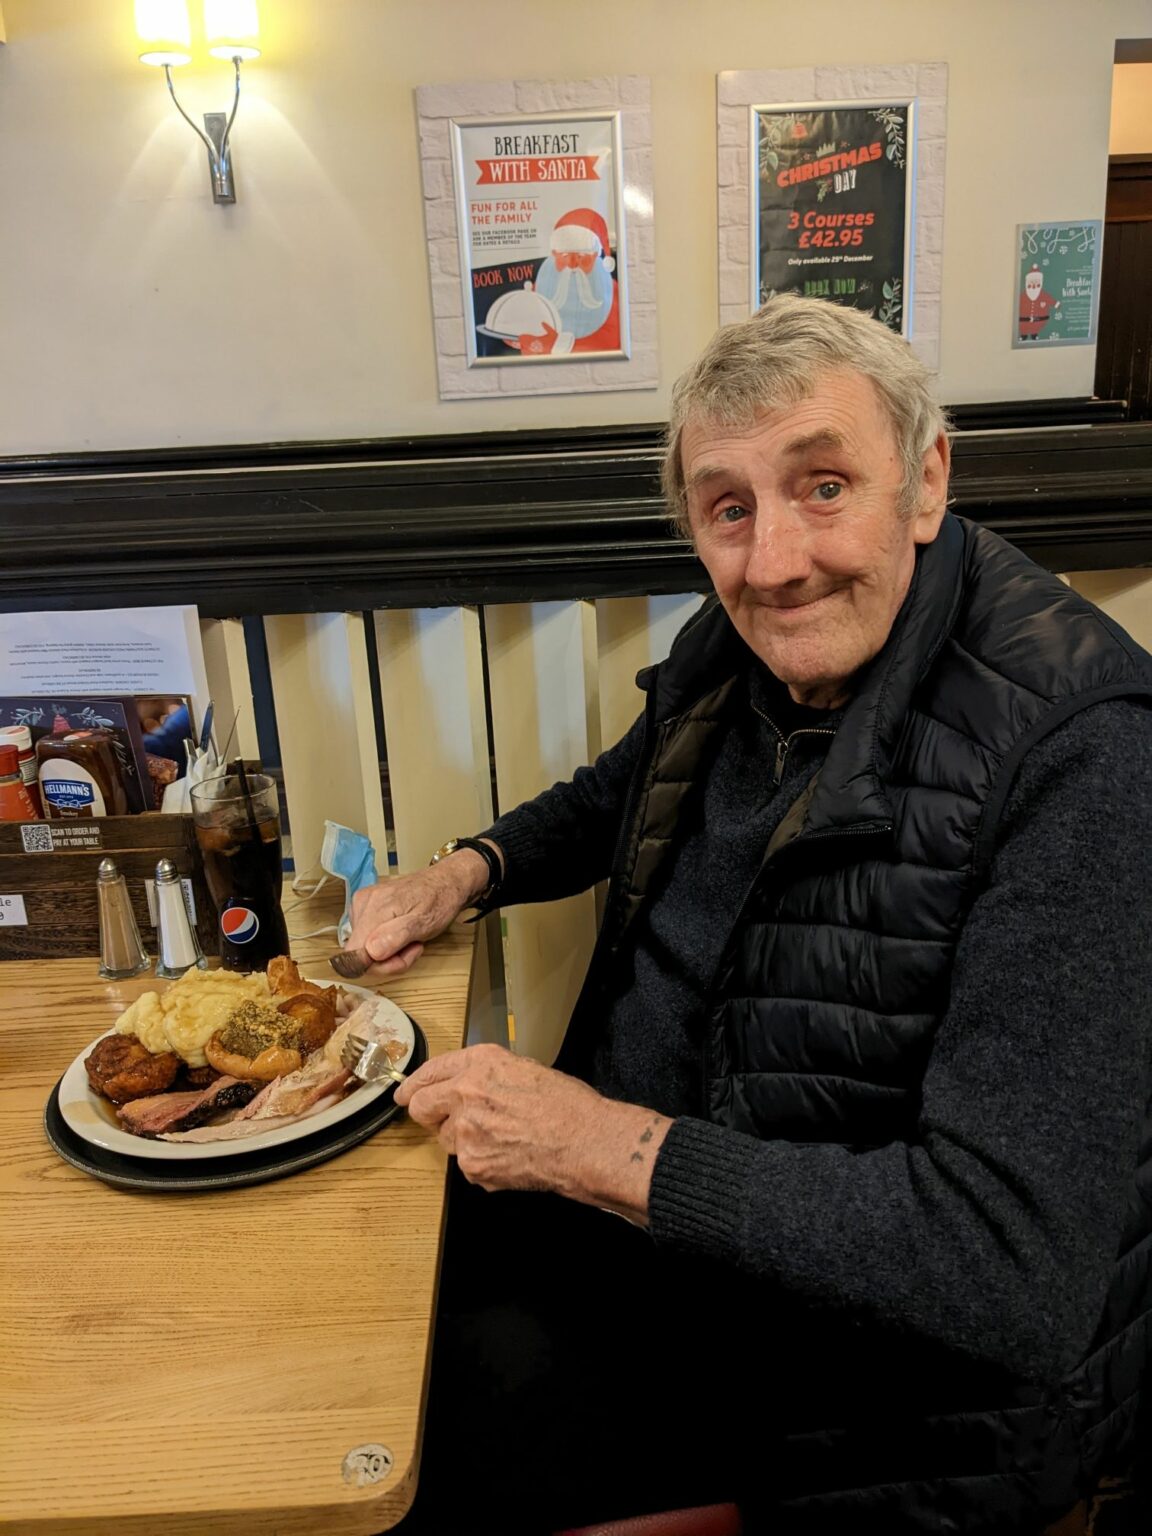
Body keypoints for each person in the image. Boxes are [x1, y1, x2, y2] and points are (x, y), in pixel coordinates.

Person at [349, 295, 1152, 1535]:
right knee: (355, 1297)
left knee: (397, 1468)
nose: (772, 561)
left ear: (926, 480)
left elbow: (1010, 1267)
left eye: (824, 486)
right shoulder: (742, 648)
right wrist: (466, 870)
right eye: (728, 508)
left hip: (856, 1385)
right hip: (638, 1232)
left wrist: (596, 1146)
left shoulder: (1086, 754)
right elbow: (623, 789)